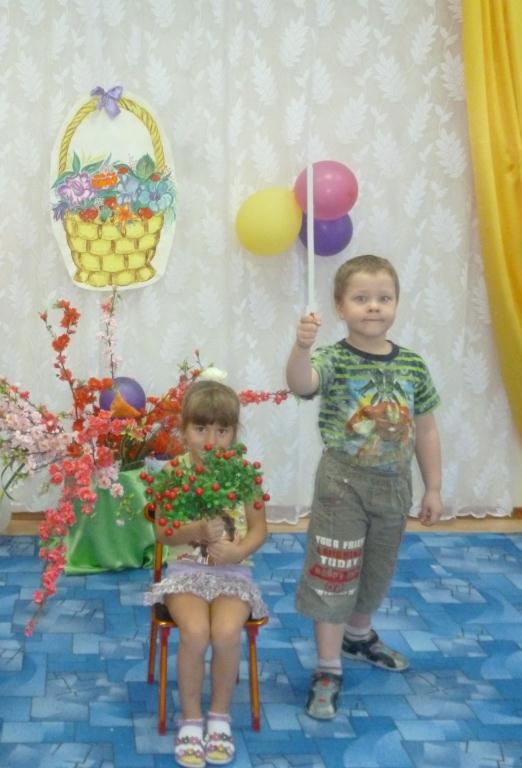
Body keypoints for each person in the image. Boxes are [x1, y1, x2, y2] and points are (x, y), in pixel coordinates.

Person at [285, 253, 443, 721]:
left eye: (383, 298)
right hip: (342, 486)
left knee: (377, 569)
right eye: (361, 298)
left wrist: (433, 487)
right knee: (334, 571)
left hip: (394, 486)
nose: (373, 306)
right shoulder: (332, 358)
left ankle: (358, 636)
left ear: (396, 304)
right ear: (340, 306)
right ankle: (328, 668)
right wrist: (301, 348)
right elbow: (301, 384)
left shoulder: (413, 365)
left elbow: (426, 428)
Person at [145, 379, 269, 768]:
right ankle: (190, 719)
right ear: (183, 431)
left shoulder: (244, 474)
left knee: (227, 632)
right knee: (196, 633)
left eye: (222, 430)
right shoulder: (172, 474)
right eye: (201, 429)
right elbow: (163, 533)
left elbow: (260, 529)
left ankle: (219, 716)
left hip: (234, 573)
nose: (211, 440)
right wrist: (197, 530)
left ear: (234, 433)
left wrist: (238, 551)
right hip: (186, 571)